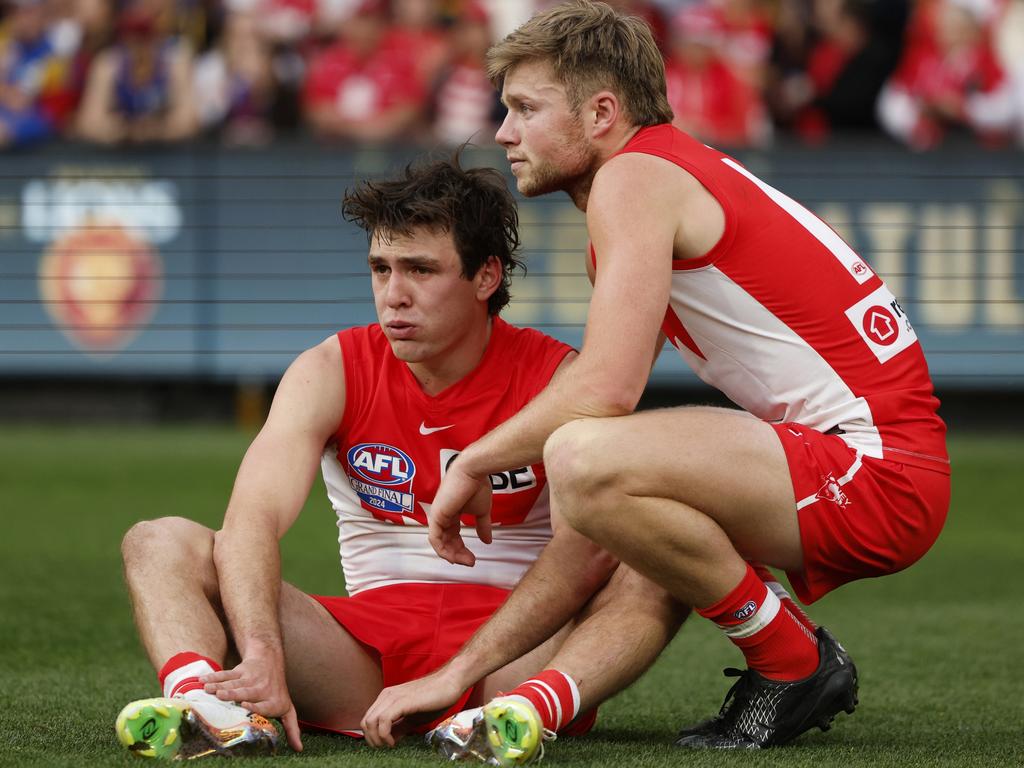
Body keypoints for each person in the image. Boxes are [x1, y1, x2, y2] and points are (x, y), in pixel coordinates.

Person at [361, 0, 951, 757]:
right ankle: (788, 657)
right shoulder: (659, 171)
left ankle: (794, 662)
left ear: (602, 111)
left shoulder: (634, 178)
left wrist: (473, 459)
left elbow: (605, 392)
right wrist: (470, 666)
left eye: (525, 109)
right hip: (869, 463)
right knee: (602, 471)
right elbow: (611, 457)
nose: (503, 132)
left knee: (582, 457)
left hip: (876, 473)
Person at [113, 152, 684, 761]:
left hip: (516, 656)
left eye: (420, 269)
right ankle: (212, 706)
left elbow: (585, 556)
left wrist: (464, 668)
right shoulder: (330, 369)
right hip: (361, 656)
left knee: (660, 548)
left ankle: (523, 715)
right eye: (380, 269)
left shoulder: (561, 380)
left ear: (486, 277)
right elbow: (251, 519)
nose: (394, 295)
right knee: (158, 542)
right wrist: (263, 650)